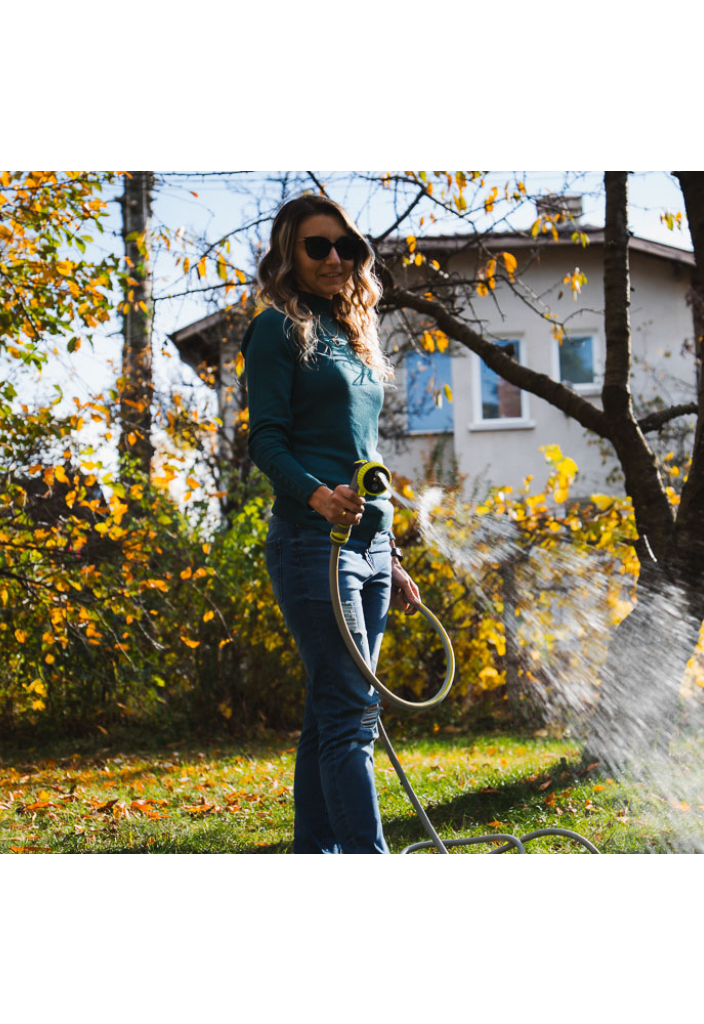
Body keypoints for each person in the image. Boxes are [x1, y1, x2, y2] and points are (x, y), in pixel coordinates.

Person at [241, 194, 420, 854]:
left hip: (370, 547)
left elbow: (362, 449)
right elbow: (266, 441)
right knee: (351, 713)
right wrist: (317, 497)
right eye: (317, 246)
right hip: (313, 543)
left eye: (347, 246)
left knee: (332, 713)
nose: (336, 258)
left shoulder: (352, 334)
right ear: (288, 255)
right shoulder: (275, 329)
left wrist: (389, 553)